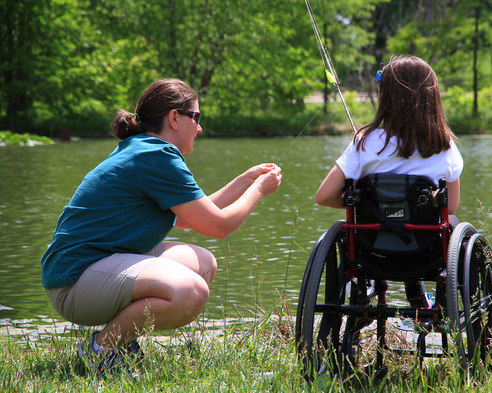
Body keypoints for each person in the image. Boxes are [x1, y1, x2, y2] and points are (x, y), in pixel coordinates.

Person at [40, 78, 282, 376]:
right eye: (197, 117)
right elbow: (219, 227)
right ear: (174, 118)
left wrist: (245, 180)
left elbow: (189, 218)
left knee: (202, 264)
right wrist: (258, 189)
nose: (200, 128)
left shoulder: (144, 149)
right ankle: (101, 350)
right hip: (74, 283)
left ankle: (122, 343)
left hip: (94, 267)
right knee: (190, 292)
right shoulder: (156, 155)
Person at [315, 54, 463, 308]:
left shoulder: (364, 142)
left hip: (371, 250)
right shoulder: (443, 145)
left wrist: (364, 204)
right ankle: (433, 299)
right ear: (431, 98)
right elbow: (449, 207)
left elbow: (324, 196)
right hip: (425, 252)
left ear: (386, 97)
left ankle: (361, 297)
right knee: (453, 223)